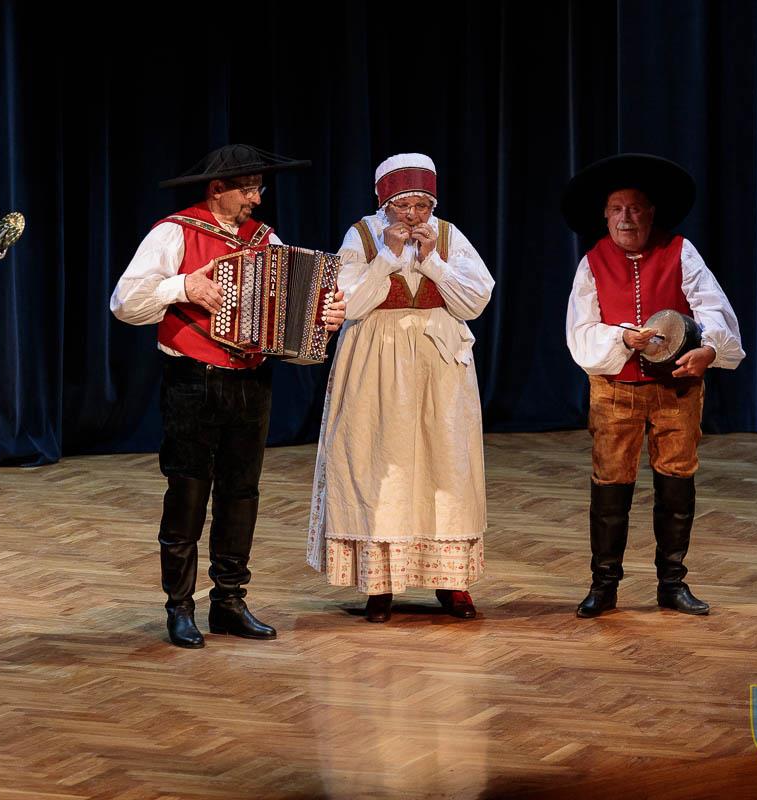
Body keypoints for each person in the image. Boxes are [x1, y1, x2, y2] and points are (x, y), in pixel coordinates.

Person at [111, 144, 346, 648]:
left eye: (259, 189)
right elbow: (125, 303)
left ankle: (229, 602)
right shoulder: (175, 231)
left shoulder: (266, 241)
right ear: (217, 189)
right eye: (249, 189)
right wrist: (183, 288)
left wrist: (323, 320)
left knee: (241, 494)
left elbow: (291, 324)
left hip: (251, 383)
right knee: (188, 492)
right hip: (192, 381)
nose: (257, 199)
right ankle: (179, 607)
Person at [306, 153, 494, 623]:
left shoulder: (447, 236)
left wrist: (433, 263)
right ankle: (380, 584)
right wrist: (387, 258)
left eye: (421, 206)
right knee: (377, 467)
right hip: (376, 359)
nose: (412, 216)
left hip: (438, 364)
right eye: (403, 206)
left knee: (446, 466)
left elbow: (474, 300)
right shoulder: (362, 236)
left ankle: (451, 582)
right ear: (384, 203)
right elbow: (349, 304)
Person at [562, 153, 745, 618]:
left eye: (635, 208)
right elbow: (580, 331)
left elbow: (713, 309)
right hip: (614, 391)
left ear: (651, 212)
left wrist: (709, 352)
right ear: (605, 215)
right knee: (610, 484)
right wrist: (622, 338)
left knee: (676, 482)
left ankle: (672, 583)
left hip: (677, 389)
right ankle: (604, 586)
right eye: (617, 209)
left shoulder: (680, 251)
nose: (626, 218)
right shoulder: (592, 263)